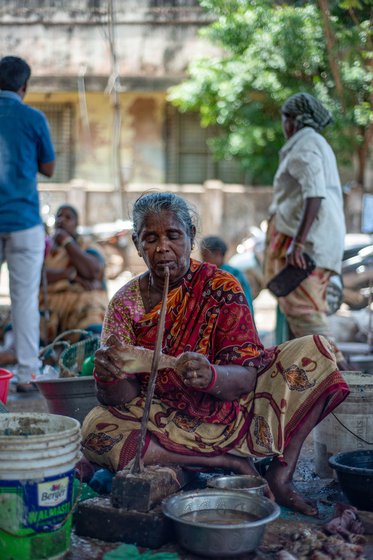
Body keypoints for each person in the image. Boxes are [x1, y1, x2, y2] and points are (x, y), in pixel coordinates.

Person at [81, 192, 349, 516]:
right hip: (164, 419)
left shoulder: (222, 286)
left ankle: (281, 474)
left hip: (236, 412)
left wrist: (211, 376)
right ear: (137, 245)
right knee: (95, 429)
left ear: (191, 236)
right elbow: (122, 397)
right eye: (150, 238)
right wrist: (109, 376)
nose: (162, 247)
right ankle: (224, 461)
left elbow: (246, 377)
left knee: (317, 353)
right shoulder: (125, 303)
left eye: (173, 235)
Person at [265, 92, 348, 369]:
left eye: (284, 118)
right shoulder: (313, 144)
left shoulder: (306, 145)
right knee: (301, 312)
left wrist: (297, 245)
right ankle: (305, 378)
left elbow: (314, 194)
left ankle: (341, 375)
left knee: (306, 314)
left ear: (292, 121)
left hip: (306, 246)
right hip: (313, 242)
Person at [0, 56, 55, 392]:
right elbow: (48, 167)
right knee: (24, 300)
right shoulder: (33, 117)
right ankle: (25, 375)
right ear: (24, 86)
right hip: (23, 221)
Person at [39, 204, 109, 344]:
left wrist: (66, 241)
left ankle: (93, 353)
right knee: (27, 318)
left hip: (82, 301)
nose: (61, 220)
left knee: (92, 316)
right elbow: (34, 275)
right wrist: (71, 274)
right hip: (50, 302)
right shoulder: (44, 246)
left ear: (76, 224)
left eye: (68, 217)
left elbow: (92, 272)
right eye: (58, 216)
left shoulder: (86, 245)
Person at [200, 235, 254, 317]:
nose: (203, 261)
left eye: (205, 256)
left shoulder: (234, 275)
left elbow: (246, 305)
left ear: (218, 254)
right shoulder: (204, 274)